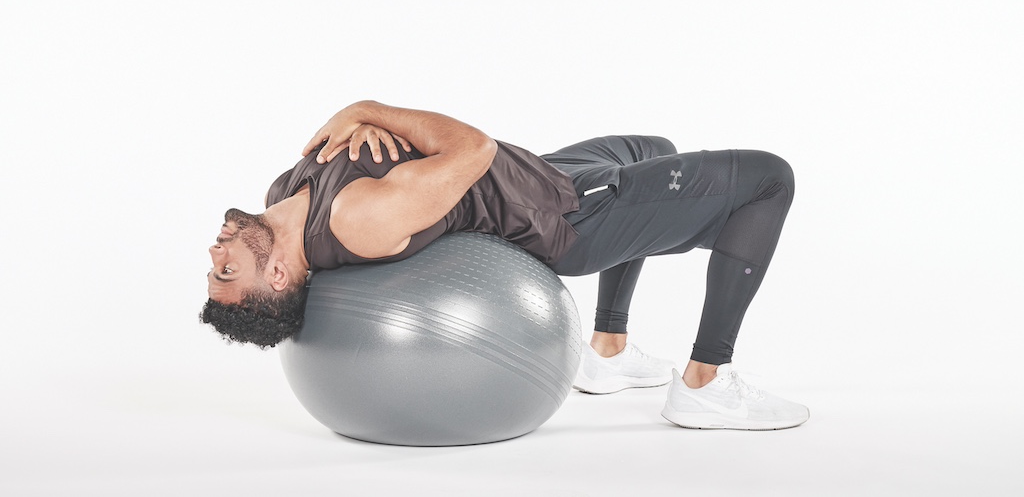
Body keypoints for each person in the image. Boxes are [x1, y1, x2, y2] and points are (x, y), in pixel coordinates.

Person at [201, 100, 809, 431]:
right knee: (768, 179)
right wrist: (368, 107)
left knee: (655, 150)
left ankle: (609, 351)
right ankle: (706, 382)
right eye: (227, 272)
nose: (214, 254)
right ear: (278, 276)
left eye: (215, 267)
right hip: (567, 220)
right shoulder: (358, 219)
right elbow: (474, 149)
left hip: (541, 175)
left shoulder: (279, 194)